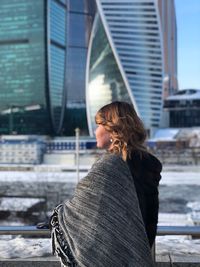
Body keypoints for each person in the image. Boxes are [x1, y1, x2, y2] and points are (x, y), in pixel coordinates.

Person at [50, 101, 161, 267]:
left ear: (113, 129)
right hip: (137, 254)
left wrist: (59, 215)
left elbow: (82, 211)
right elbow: (147, 220)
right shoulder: (147, 163)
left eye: (98, 125)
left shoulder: (111, 166)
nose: (95, 131)